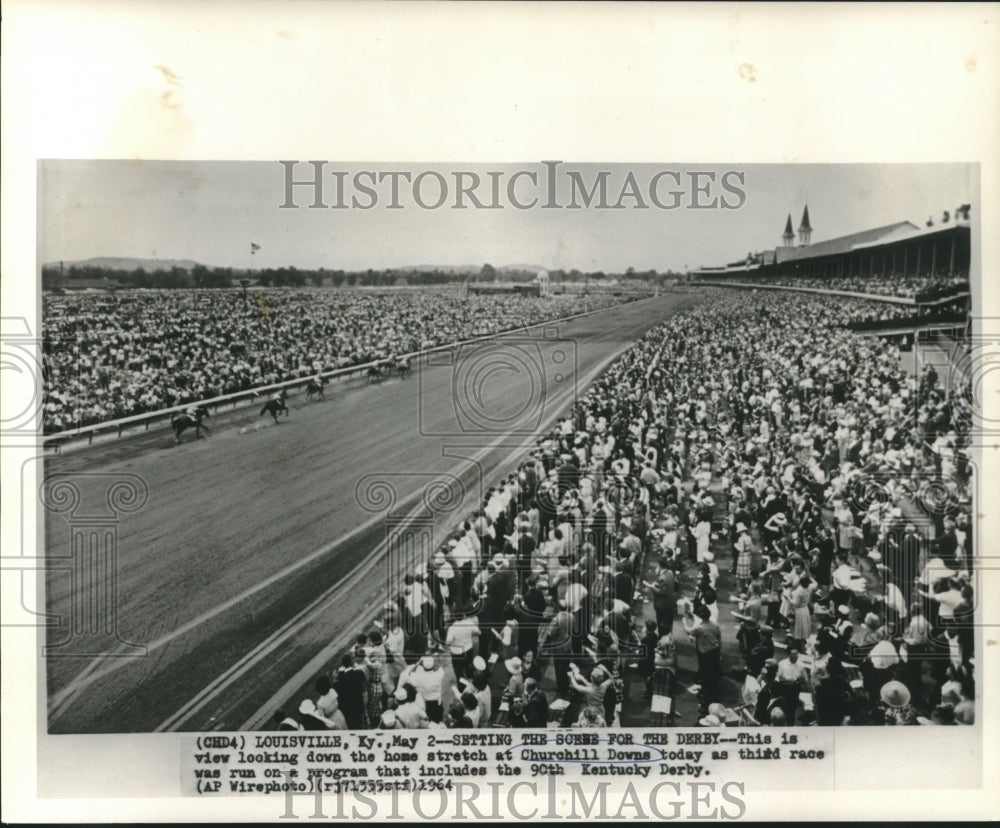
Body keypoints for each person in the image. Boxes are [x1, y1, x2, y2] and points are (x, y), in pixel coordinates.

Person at [682, 604, 722, 714]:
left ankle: (707, 700)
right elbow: (719, 638)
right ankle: (711, 691)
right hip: (715, 651)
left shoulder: (699, 628)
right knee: (713, 673)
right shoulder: (715, 624)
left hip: (705, 653)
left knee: (706, 675)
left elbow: (688, 631)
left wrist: (684, 622)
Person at [775, 648, 809, 725]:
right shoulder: (782, 664)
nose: (796, 656)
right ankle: (782, 723)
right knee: (785, 708)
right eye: (793, 654)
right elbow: (778, 677)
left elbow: (805, 679)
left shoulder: (801, 665)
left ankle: (791, 725)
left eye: (797, 654)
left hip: (795, 689)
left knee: (792, 709)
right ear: (789, 655)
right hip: (785, 688)